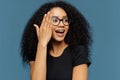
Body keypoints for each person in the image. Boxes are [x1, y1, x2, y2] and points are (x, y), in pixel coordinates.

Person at [21, 1, 92, 80]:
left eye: (65, 20)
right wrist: (42, 44)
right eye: (55, 20)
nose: (62, 24)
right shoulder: (36, 52)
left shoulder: (78, 52)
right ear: (44, 24)